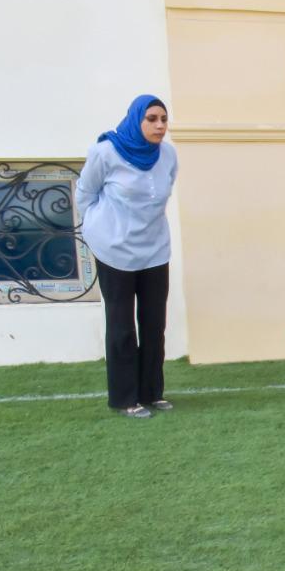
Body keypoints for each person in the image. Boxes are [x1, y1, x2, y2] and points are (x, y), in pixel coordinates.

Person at [75, 94, 178, 419]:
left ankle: (151, 392)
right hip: (115, 252)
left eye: (164, 119)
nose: (160, 125)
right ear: (136, 120)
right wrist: (98, 230)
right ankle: (125, 398)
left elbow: (163, 193)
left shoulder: (168, 155)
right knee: (121, 326)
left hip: (154, 251)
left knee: (153, 324)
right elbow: (85, 194)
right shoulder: (105, 152)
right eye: (152, 119)